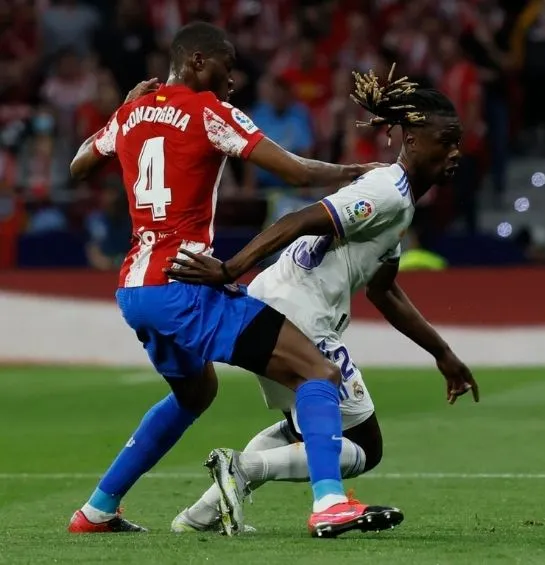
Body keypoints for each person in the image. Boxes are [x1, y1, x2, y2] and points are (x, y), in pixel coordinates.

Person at [65, 21, 404, 539]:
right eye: (226, 66)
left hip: (136, 289)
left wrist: (120, 112)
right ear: (198, 61)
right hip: (183, 287)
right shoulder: (208, 112)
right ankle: (331, 503)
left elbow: (79, 165)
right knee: (316, 372)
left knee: (195, 393)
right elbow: (292, 171)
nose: (233, 81)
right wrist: (356, 172)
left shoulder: (133, 111)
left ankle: (96, 510)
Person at [166, 66, 479, 535]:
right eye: (445, 140)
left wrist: (443, 353)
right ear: (412, 141)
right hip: (299, 309)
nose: (454, 151)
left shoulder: (399, 204)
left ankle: (202, 514)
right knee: (365, 447)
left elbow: (384, 290)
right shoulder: (387, 192)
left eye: (458, 142)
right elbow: (296, 220)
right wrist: (231, 268)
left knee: (301, 427)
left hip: (277, 299)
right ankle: (251, 471)